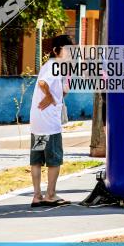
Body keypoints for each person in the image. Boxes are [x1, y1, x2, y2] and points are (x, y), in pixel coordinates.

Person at [29, 34, 73, 207]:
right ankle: (50, 195)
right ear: (56, 51)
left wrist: (58, 94)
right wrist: (49, 97)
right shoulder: (54, 65)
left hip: (38, 123)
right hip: (49, 124)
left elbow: (58, 91)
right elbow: (42, 83)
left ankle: (37, 196)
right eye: (67, 50)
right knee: (54, 159)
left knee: (37, 159)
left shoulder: (52, 66)